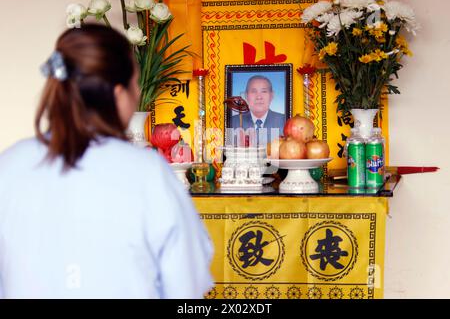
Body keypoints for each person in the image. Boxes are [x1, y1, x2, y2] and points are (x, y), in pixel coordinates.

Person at [0, 25, 213, 299]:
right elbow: (187, 282)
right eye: (135, 84)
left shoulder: (9, 166)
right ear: (117, 93)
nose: (137, 94)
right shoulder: (147, 172)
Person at [230, 75, 285, 144]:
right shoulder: (232, 122)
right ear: (246, 96)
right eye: (253, 91)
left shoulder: (284, 121)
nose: (259, 97)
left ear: (272, 95)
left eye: (264, 91)